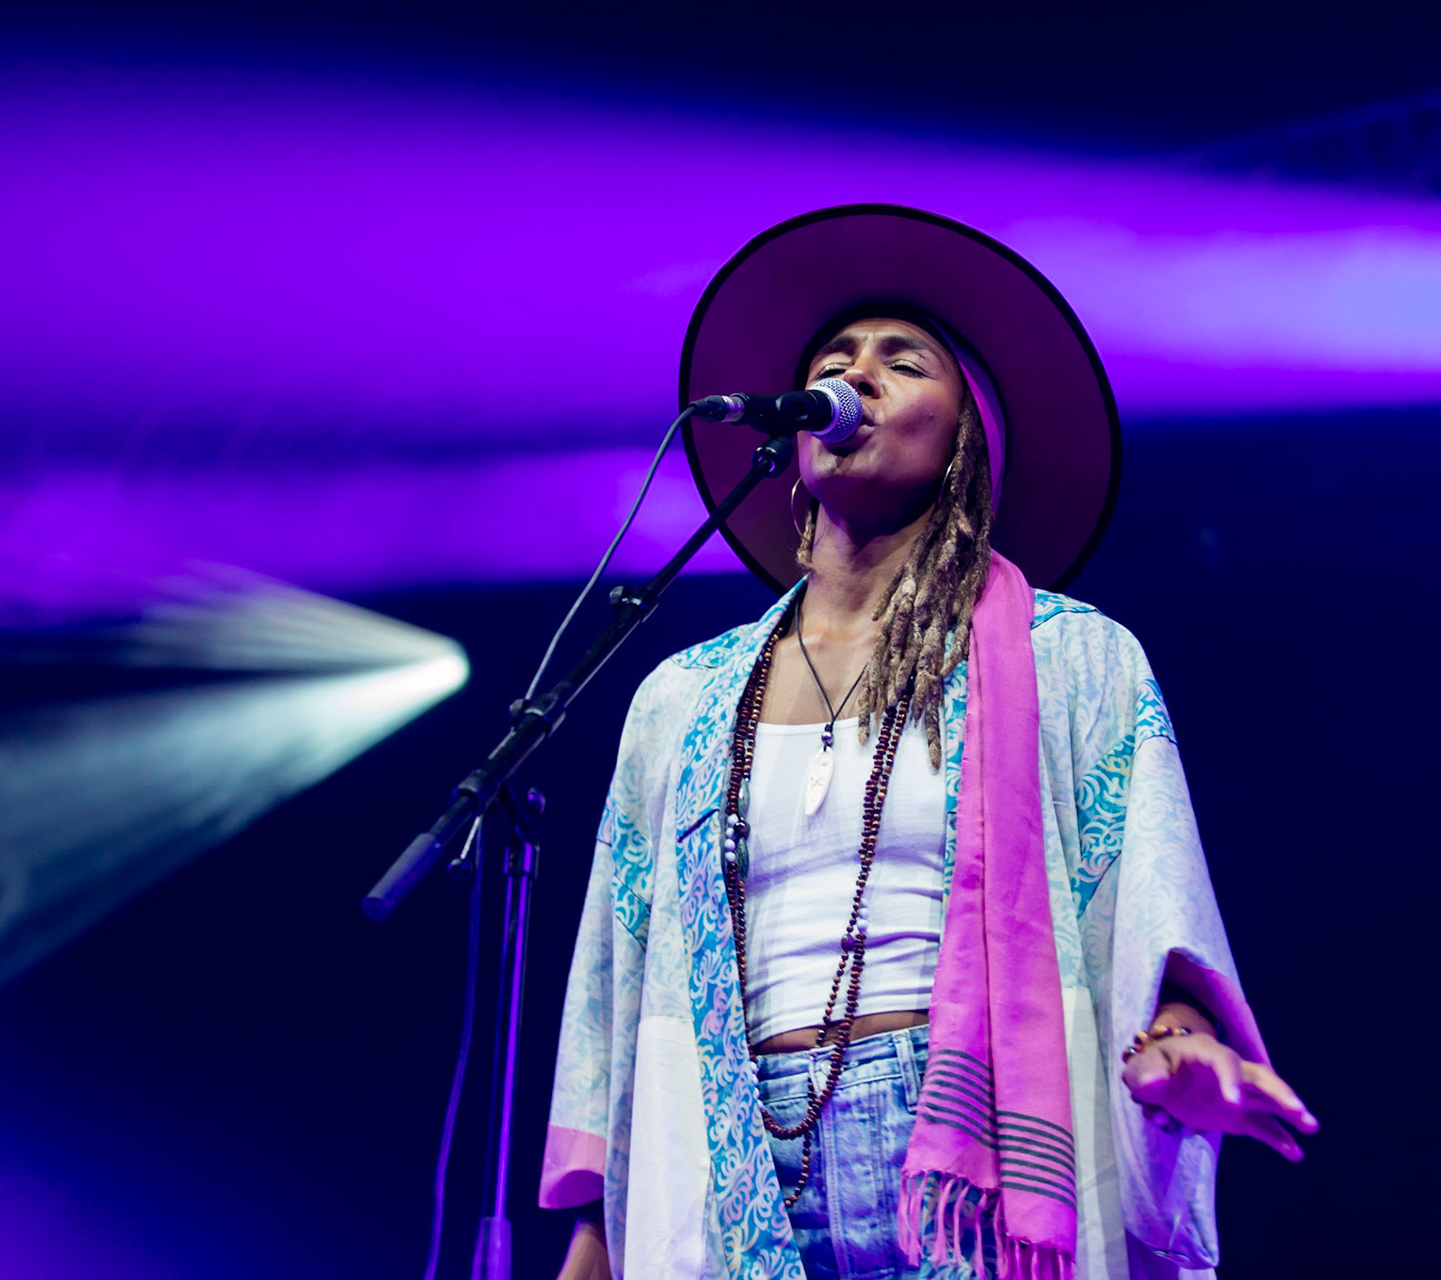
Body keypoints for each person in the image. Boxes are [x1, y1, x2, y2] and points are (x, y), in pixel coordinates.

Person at [542, 206, 1317, 1280]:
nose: (855, 379)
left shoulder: (1070, 657)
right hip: (731, 1151)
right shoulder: (683, 697)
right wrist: (593, 1233)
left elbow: (1149, 888)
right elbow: (618, 973)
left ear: (967, 434)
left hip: (968, 1139)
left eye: (901, 363)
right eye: (833, 362)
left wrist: (1182, 1033)